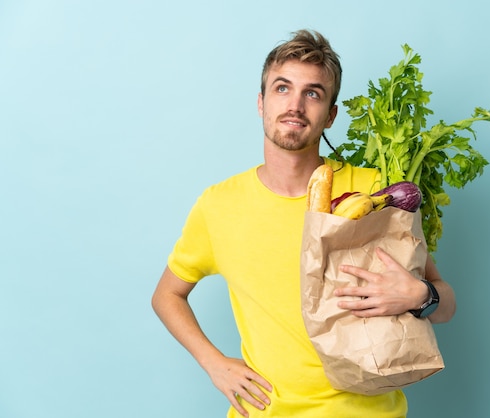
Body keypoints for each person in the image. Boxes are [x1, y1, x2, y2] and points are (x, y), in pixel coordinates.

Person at [151, 29, 456, 418]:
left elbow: (447, 304)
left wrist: (419, 296)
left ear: (330, 114)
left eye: (312, 93)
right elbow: (166, 295)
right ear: (261, 103)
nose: (295, 105)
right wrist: (214, 362)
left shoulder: (374, 192)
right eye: (282, 88)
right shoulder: (219, 205)